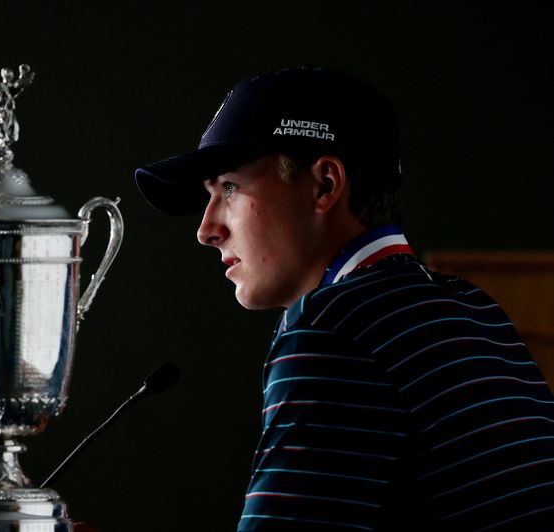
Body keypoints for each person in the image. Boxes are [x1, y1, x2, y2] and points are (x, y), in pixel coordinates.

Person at [134, 66, 554, 531]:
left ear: (325, 186)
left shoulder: (331, 330)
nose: (207, 230)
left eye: (230, 187)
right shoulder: (475, 309)